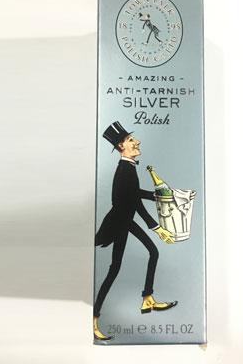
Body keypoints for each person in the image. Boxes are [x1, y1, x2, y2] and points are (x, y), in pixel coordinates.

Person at [93, 121, 178, 341]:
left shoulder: (128, 167)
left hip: (124, 220)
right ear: (121, 146)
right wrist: (157, 228)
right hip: (120, 222)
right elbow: (133, 203)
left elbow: (134, 193)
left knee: (144, 256)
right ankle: (94, 319)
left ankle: (147, 299)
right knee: (116, 269)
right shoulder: (125, 169)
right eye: (131, 140)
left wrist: (158, 196)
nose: (137, 141)